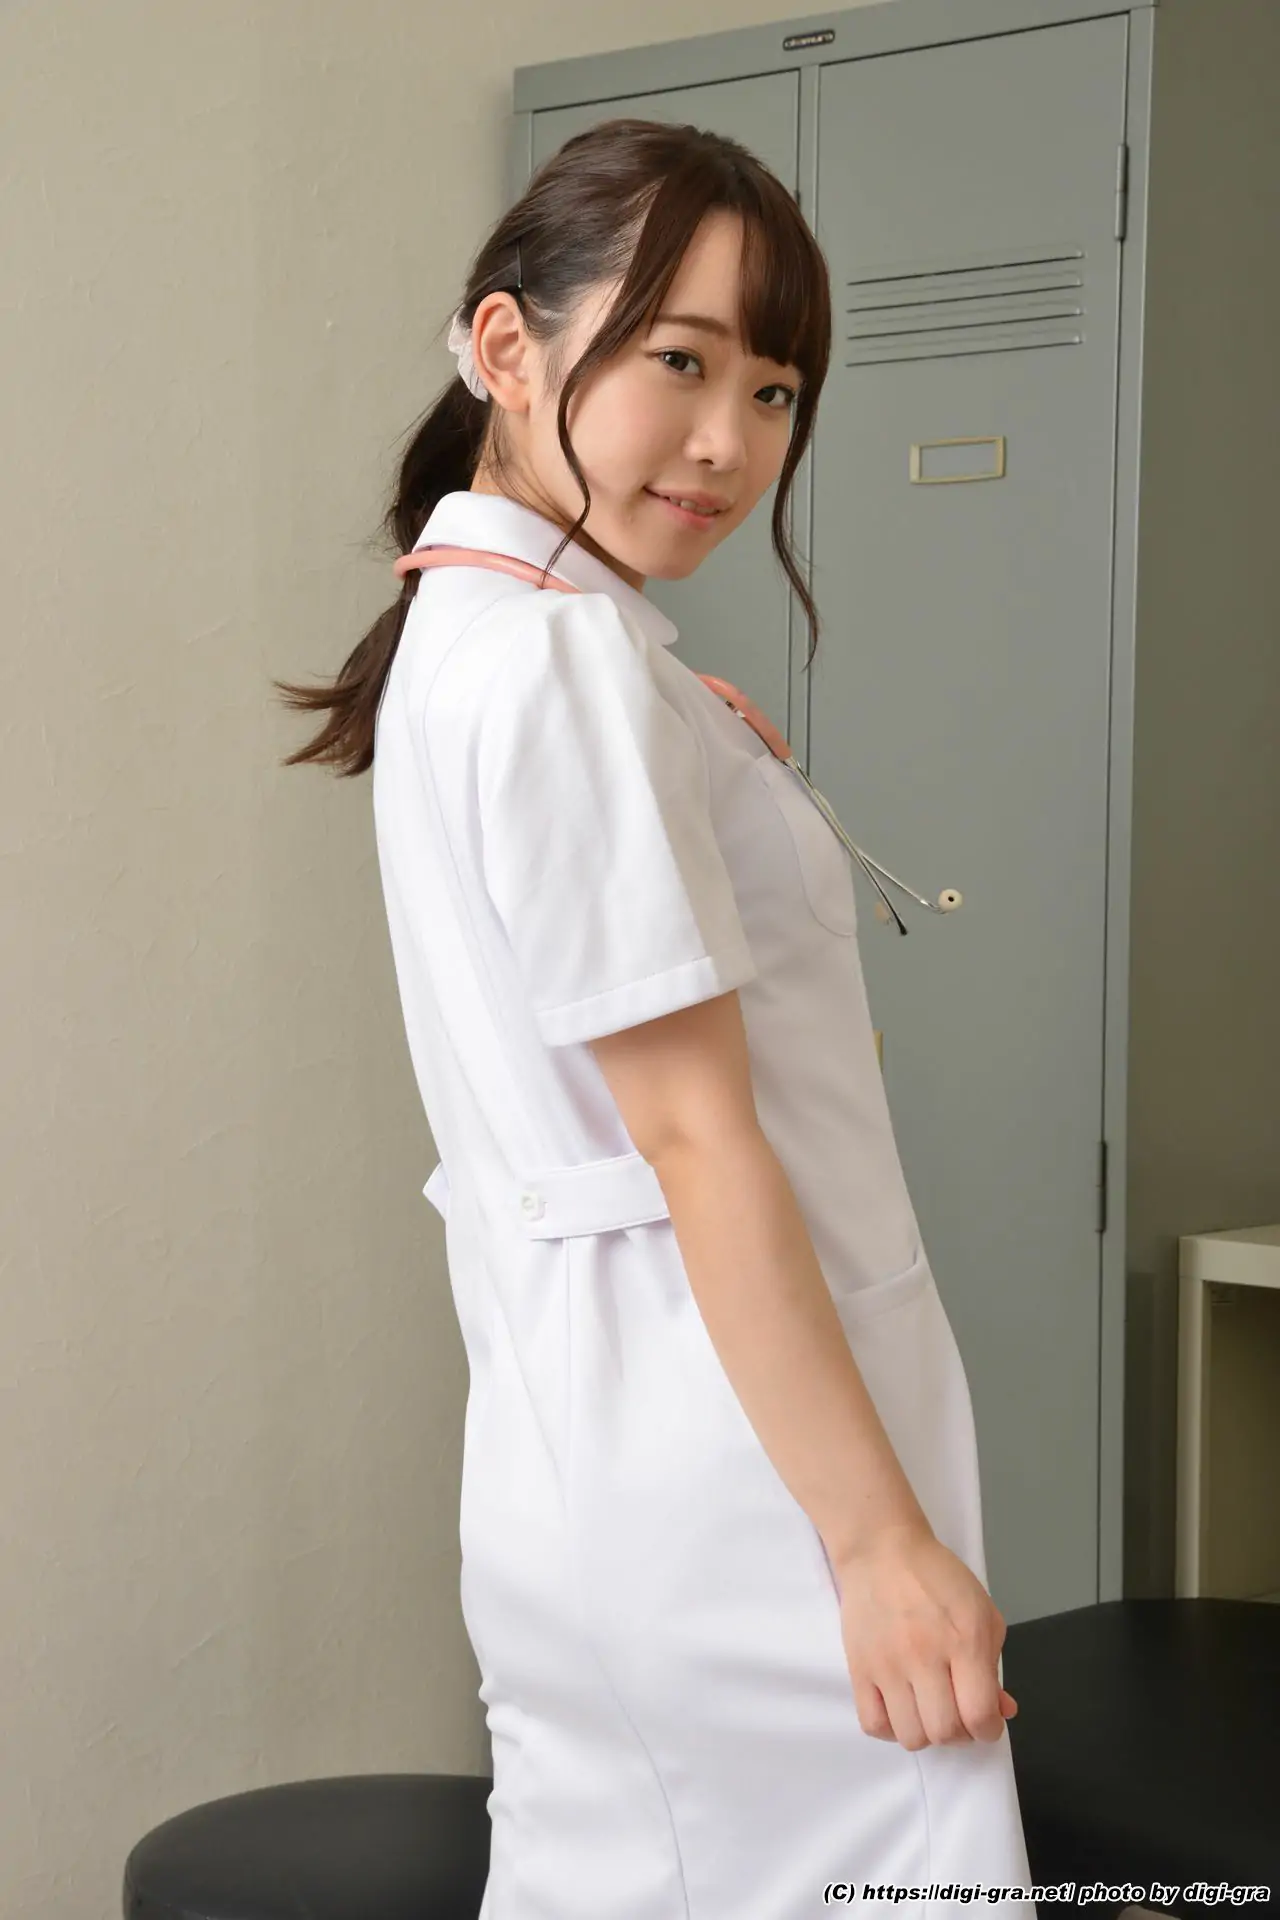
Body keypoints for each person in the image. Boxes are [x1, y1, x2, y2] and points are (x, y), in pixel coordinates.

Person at [274, 117, 1036, 1919]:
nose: (729, 442)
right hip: (735, 1485)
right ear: (506, 346)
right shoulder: (553, 661)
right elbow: (694, 1136)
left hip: (628, 1444)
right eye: (678, 362)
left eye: (774, 391)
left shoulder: (515, 631)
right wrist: (880, 1545)